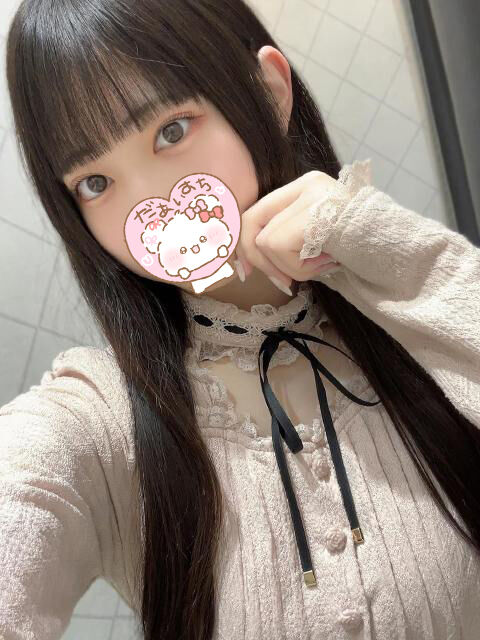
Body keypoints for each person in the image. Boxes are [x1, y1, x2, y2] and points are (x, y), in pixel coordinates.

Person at [1, 1, 480, 638]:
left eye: (171, 130)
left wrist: (377, 240)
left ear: (270, 90)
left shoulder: (408, 310)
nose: (151, 201)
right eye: (94, 183)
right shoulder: (99, 418)